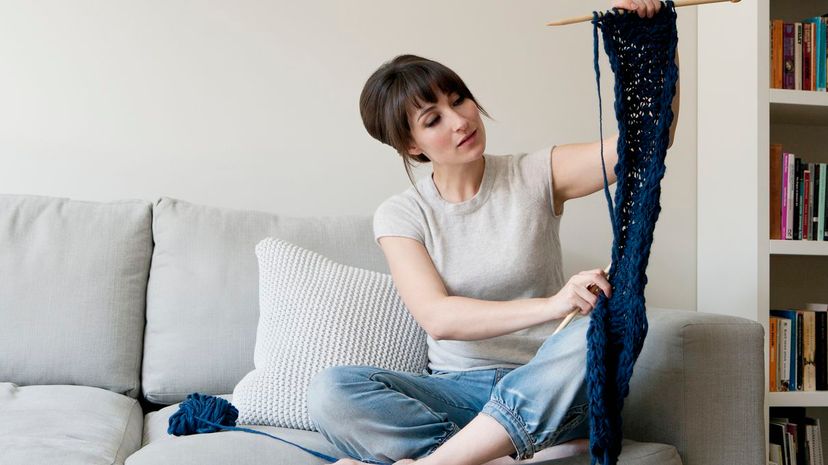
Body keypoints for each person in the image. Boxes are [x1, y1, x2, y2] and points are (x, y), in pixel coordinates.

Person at [307, 1, 678, 464]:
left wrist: (657, 41)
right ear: (410, 144)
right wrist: (553, 303)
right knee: (331, 391)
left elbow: (647, 142)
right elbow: (440, 318)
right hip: (455, 392)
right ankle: (500, 450)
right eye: (433, 119)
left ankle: (451, 458)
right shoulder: (402, 214)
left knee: (591, 336)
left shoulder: (536, 173)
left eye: (457, 99)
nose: (460, 120)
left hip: (548, 382)